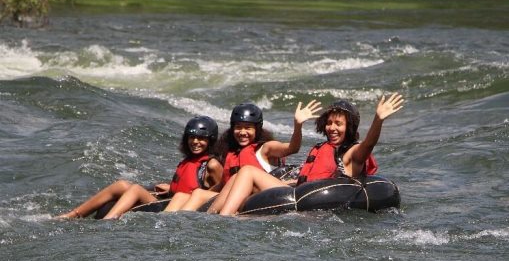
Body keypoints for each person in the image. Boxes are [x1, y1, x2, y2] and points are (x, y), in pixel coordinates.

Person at [216, 93, 404, 216]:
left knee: (248, 170)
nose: (332, 128)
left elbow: (368, 144)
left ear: (350, 127)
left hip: (311, 201)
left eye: (338, 124)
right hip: (297, 192)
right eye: (329, 123)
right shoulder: (323, 147)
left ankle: (224, 219)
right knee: (237, 177)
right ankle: (210, 216)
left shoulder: (351, 152)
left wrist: (378, 120)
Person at [56, 116, 223, 219]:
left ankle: (109, 221)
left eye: (201, 139)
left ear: (211, 141)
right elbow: (187, 181)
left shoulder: (212, 165)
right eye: (192, 137)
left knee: (135, 189)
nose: (195, 142)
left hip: (177, 208)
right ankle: (74, 214)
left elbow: (216, 193)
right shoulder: (188, 160)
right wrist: (171, 187)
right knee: (121, 184)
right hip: (169, 200)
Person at [169, 100, 322, 212]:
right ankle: (177, 225)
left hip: (264, 195)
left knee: (245, 171)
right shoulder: (231, 154)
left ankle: (220, 218)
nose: (242, 132)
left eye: (248, 128)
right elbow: (223, 185)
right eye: (238, 128)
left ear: (257, 129)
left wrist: (298, 125)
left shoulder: (265, 148)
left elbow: (292, 148)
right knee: (189, 194)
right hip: (237, 196)